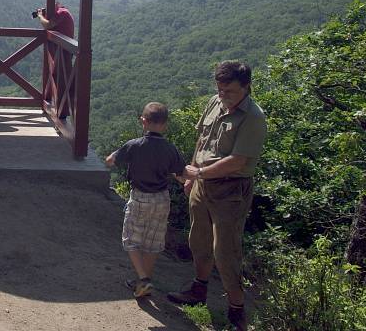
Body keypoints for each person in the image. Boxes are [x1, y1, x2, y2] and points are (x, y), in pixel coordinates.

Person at [167, 61, 267, 331]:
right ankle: (198, 292)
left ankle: (237, 313)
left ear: (246, 87)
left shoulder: (253, 117)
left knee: (225, 252)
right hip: (202, 184)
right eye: (220, 89)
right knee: (198, 241)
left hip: (231, 190)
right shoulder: (215, 101)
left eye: (230, 91)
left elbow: (238, 160)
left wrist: (198, 174)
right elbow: (202, 140)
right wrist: (191, 175)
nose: (223, 95)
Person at [105, 102, 187, 298]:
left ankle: (144, 279)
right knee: (153, 243)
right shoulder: (170, 149)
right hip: (162, 200)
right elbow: (181, 175)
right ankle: (142, 284)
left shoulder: (135, 145)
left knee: (131, 240)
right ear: (165, 124)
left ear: (144, 121)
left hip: (140, 197)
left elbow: (110, 160)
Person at [35, 2, 75, 119]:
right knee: (60, 80)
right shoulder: (63, 12)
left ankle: (63, 115)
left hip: (63, 51)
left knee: (62, 81)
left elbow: (47, 25)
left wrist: (40, 16)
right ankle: (61, 112)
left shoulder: (61, 12)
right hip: (62, 51)